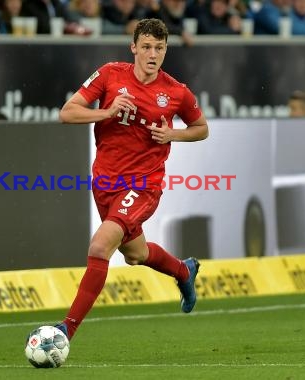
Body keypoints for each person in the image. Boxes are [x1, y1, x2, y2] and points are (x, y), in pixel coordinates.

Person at [55, 18, 209, 341]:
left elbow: (202, 129)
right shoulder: (111, 74)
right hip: (105, 184)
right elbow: (68, 112)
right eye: (147, 47)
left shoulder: (176, 92)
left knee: (100, 246)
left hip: (144, 186)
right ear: (134, 48)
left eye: (160, 48)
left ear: (166, 50)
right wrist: (106, 113)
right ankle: (183, 270)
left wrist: (172, 134)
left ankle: (65, 331)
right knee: (135, 254)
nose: (153, 54)